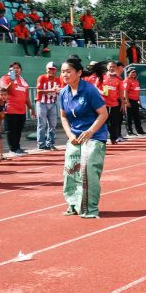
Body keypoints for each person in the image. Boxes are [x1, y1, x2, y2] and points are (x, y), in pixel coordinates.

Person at [58, 55, 109, 217]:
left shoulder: (89, 90)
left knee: (87, 171)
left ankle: (89, 208)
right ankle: (74, 204)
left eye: (68, 71)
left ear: (79, 73)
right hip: (75, 136)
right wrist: (69, 134)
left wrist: (90, 131)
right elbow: (63, 116)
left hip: (94, 135)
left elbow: (103, 114)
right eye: (63, 72)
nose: (65, 74)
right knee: (70, 170)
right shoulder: (63, 93)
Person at [0, 61, 35, 155]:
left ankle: (17, 147)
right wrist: (12, 80)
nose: (16, 69)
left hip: (21, 110)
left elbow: (26, 97)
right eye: (14, 68)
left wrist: (31, 108)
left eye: (18, 68)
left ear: (21, 70)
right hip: (10, 109)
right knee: (11, 131)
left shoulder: (23, 81)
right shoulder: (5, 78)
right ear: (10, 70)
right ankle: (12, 149)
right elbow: (5, 91)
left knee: (18, 131)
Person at [35, 61, 63, 150]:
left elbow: (59, 91)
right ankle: (41, 144)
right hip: (41, 103)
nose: (51, 71)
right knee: (42, 124)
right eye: (49, 69)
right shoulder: (41, 78)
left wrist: (58, 91)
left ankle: (50, 143)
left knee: (53, 124)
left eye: (53, 69)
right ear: (46, 69)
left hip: (52, 103)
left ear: (56, 71)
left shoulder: (58, 79)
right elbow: (38, 90)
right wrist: (51, 90)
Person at [101, 61, 125, 143]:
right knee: (103, 122)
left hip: (114, 103)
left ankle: (113, 138)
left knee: (114, 122)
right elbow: (95, 87)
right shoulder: (102, 77)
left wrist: (122, 103)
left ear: (116, 68)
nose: (112, 68)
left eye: (114, 67)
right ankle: (102, 139)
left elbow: (121, 92)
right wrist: (102, 92)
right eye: (110, 66)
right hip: (103, 103)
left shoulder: (119, 79)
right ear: (107, 67)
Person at [123, 67, 146, 135]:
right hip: (129, 100)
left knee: (137, 117)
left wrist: (138, 100)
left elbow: (137, 91)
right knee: (129, 117)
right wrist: (127, 102)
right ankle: (129, 131)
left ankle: (140, 131)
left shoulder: (136, 81)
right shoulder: (127, 80)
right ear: (128, 73)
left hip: (135, 101)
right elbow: (125, 91)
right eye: (132, 72)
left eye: (135, 72)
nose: (134, 73)